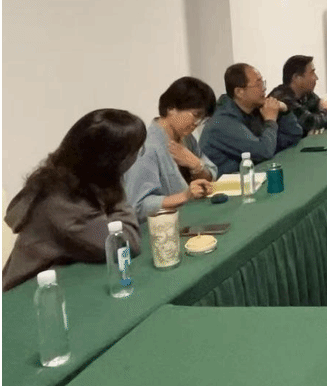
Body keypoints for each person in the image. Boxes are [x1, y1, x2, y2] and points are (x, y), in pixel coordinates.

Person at [3, 109, 146, 291]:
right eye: (135, 151)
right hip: (29, 296)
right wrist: (116, 183)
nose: (136, 158)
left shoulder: (70, 178)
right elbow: (126, 244)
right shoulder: (64, 204)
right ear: (113, 161)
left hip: (60, 283)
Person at [123, 77, 218, 223]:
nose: (197, 123)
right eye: (195, 115)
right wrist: (185, 196)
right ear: (171, 108)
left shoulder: (187, 138)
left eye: (202, 119)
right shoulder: (146, 147)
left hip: (191, 218)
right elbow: (139, 206)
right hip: (161, 227)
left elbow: (211, 174)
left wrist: (197, 166)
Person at [200, 63, 303, 176]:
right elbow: (264, 152)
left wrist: (285, 110)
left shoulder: (254, 110)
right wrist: (270, 121)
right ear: (239, 92)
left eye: (263, 83)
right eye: (258, 84)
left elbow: (293, 136)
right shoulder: (222, 122)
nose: (264, 88)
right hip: (224, 184)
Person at [269, 55, 327, 136]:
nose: (316, 78)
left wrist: (325, 111)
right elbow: (312, 122)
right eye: (312, 73)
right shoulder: (282, 98)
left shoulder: (306, 94)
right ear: (297, 78)